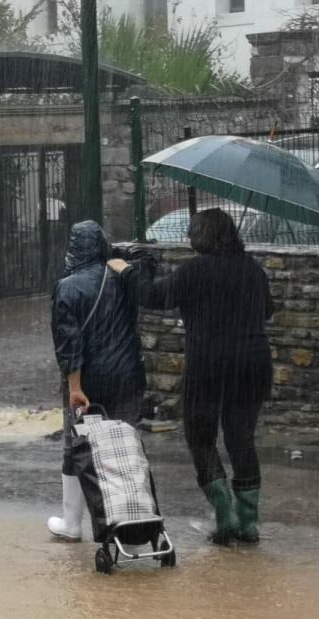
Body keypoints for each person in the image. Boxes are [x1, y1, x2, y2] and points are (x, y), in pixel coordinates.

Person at [110, 208, 273, 544]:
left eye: (192, 231)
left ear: (203, 236)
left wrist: (128, 272)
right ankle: (248, 523)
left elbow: (154, 296)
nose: (188, 237)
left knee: (201, 438)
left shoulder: (196, 270)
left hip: (209, 367)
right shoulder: (253, 270)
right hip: (253, 366)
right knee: (241, 439)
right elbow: (268, 310)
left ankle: (224, 513)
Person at [47, 220, 150, 541]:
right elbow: (149, 271)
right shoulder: (122, 276)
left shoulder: (68, 287)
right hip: (127, 375)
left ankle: (72, 523)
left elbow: (69, 342)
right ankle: (133, 524)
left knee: (78, 447)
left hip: (88, 382)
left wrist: (75, 387)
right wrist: (120, 256)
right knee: (125, 447)